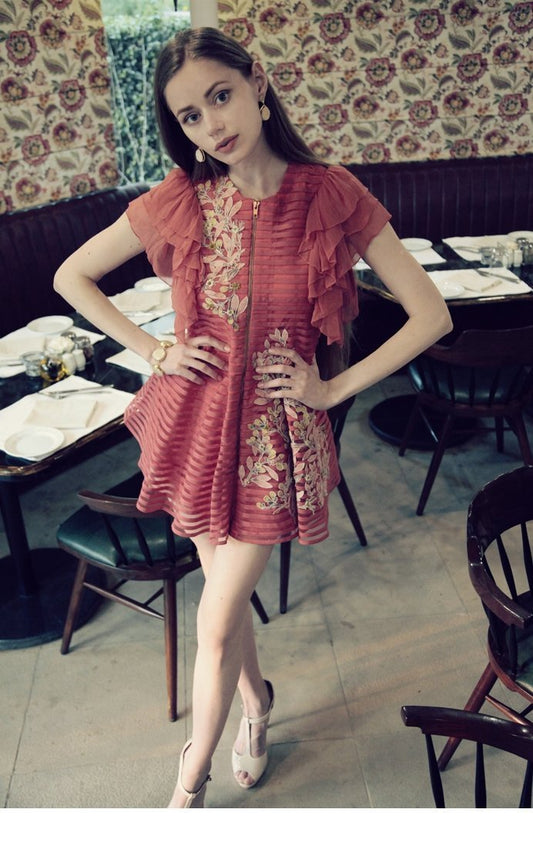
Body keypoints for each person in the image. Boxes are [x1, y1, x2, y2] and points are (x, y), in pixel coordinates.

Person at [54, 27, 452, 808]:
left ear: (256, 84)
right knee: (223, 605)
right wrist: (155, 349)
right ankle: (257, 704)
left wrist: (333, 391)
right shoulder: (182, 196)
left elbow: (429, 314)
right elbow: (74, 276)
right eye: (190, 116)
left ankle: (187, 787)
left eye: (220, 96)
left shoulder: (330, 191)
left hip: (274, 440)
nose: (212, 124)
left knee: (213, 621)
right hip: (195, 424)